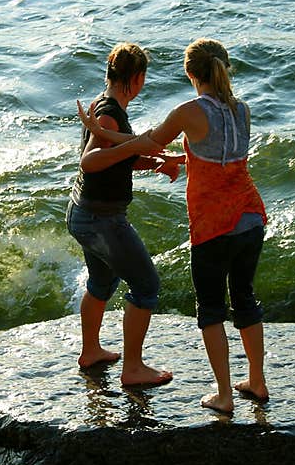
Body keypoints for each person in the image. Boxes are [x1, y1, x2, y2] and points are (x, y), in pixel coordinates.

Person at [77, 37, 268, 414]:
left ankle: (225, 395)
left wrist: (98, 131)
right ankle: (257, 382)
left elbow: (145, 143)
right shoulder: (242, 110)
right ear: (223, 68)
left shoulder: (187, 112)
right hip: (251, 216)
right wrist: (181, 157)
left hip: (214, 224)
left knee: (211, 309)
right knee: (245, 299)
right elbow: (219, 157)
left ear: (190, 74)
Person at [67, 42, 178, 387]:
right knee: (146, 285)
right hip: (101, 219)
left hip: (84, 212)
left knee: (102, 282)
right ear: (137, 78)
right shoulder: (109, 113)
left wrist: (157, 163)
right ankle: (133, 369)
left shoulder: (109, 106)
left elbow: (118, 156)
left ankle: (91, 352)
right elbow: (91, 161)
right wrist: (136, 145)